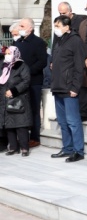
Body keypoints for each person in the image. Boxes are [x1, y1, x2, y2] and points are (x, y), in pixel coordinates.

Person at [50, 15, 86, 163]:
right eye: (55, 26)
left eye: (58, 26)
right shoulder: (58, 40)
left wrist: (75, 87)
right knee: (63, 121)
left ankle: (78, 150)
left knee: (73, 121)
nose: (56, 29)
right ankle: (67, 148)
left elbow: (79, 66)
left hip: (69, 87)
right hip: (57, 85)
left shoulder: (75, 40)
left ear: (67, 26)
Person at [14, 18, 47, 148]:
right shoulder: (18, 42)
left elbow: (42, 61)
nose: (19, 27)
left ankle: (34, 137)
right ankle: (21, 136)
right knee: (21, 109)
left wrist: (27, 72)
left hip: (34, 81)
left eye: (22, 26)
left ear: (30, 28)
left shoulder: (38, 42)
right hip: (19, 82)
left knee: (34, 109)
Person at [0, 47, 32, 156]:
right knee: (9, 125)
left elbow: (26, 81)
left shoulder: (22, 66)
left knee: (20, 124)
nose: (7, 55)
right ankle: (13, 147)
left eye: (10, 53)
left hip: (18, 99)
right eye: (6, 53)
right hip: (5, 99)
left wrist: (14, 90)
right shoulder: (3, 66)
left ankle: (24, 147)